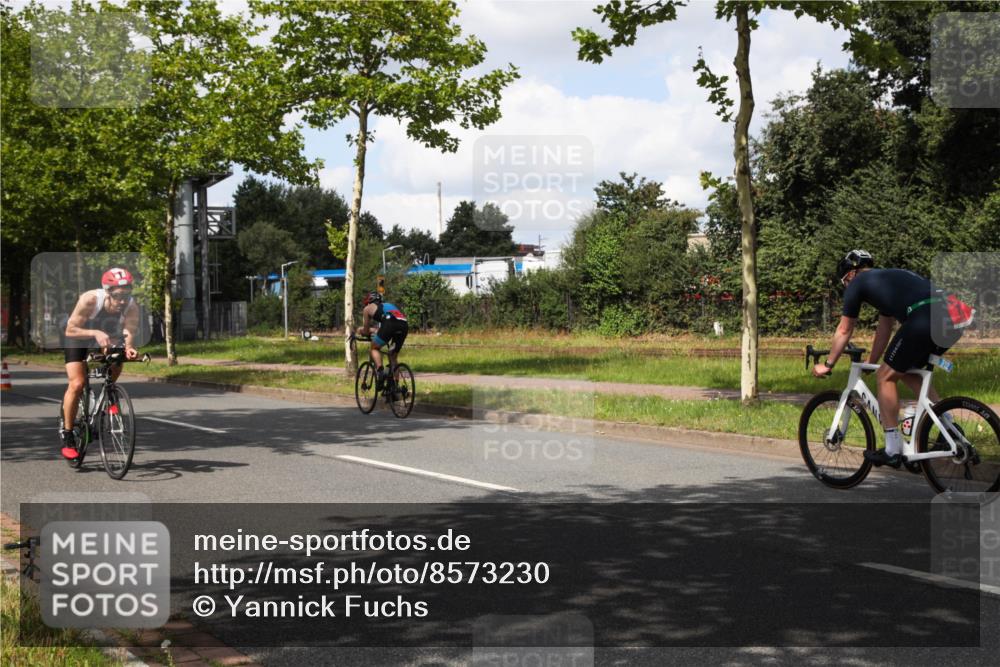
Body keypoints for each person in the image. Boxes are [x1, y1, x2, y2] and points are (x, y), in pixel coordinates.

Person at [811, 250, 965, 468]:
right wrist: (872, 361)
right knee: (905, 371)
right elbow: (885, 328)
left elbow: (845, 329)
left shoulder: (858, 282)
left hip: (927, 316)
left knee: (885, 376)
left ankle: (892, 450)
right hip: (956, 315)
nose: (847, 286)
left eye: (845, 281)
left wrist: (828, 365)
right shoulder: (886, 280)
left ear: (851, 274)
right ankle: (949, 428)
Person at [61, 268, 140, 460]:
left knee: (118, 354)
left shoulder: (131, 306)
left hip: (106, 337)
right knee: (77, 384)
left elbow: (129, 332)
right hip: (77, 336)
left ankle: (110, 394)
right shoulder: (90, 300)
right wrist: (95, 332)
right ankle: (68, 434)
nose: (122, 300)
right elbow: (70, 330)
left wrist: (129, 347)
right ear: (107, 292)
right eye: (118, 296)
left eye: (126, 294)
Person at [355, 291, 408, 390]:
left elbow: (366, 331)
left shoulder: (367, 308)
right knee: (393, 356)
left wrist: (360, 330)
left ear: (369, 301)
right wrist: (374, 330)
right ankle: (395, 386)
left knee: (374, 348)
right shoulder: (388, 305)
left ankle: (380, 372)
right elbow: (386, 326)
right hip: (404, 324)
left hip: (389, 323)